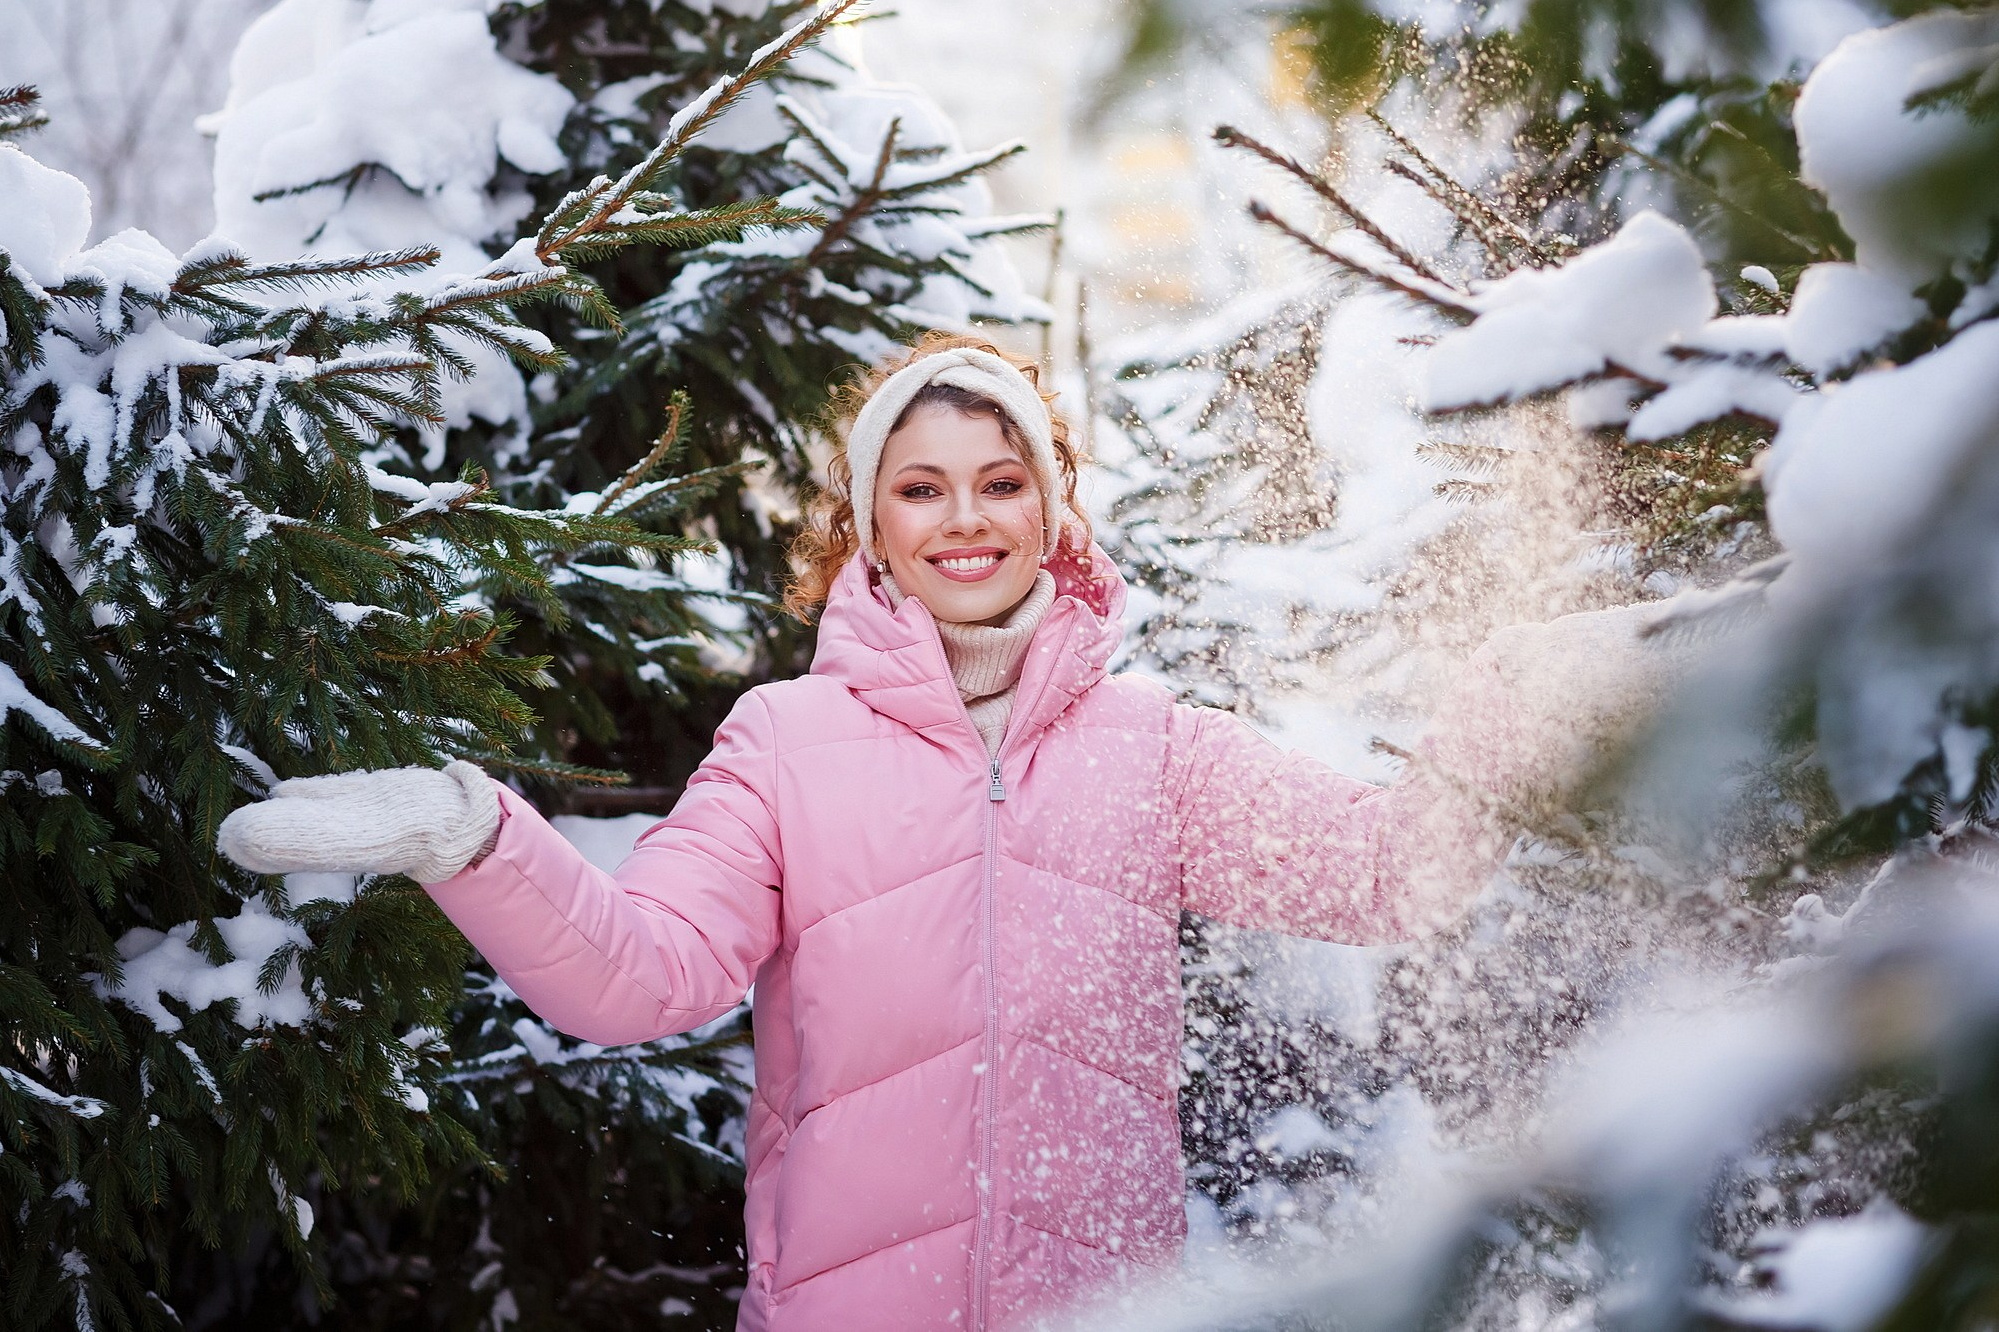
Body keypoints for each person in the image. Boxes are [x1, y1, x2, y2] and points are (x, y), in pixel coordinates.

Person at [217, 334, 1674, 1331]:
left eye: (1001, 481)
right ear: (867, 524)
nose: (965, 521)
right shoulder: (785, 747)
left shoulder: (1149, 746)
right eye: (921, 488)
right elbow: (640, 978)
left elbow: (1393, 871)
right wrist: (474, 836)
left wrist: (1517, 696)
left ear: (1052, 506)